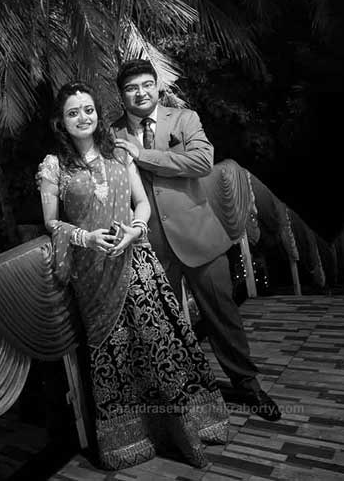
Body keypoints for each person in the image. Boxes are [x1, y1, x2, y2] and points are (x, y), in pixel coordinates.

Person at [36, 81, 229, 470]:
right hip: (93, 274)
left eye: (88, 109)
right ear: (61, 121)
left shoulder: (120, 153)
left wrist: (134, 231)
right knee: (117, 355)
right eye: (73, 112)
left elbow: (141, 204)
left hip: (136, 262)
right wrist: (86, 237)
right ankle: (131, 438)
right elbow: (51, 222)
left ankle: (185, 428)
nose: (83, 117)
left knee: (158, 343)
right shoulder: (53, 166)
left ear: (97, 113)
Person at [110, 59, 281, 422]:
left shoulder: (183, 119)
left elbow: (203, 161)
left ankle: (248, 384)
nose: (140, 93)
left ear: (156, 86)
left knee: (223, 315)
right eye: (131, 88)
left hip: (199, 236)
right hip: (151, 245)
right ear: (121, 95)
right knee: (165, 324)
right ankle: (182, 391)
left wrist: (144, 156)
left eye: (146, 84)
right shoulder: (113, 133)